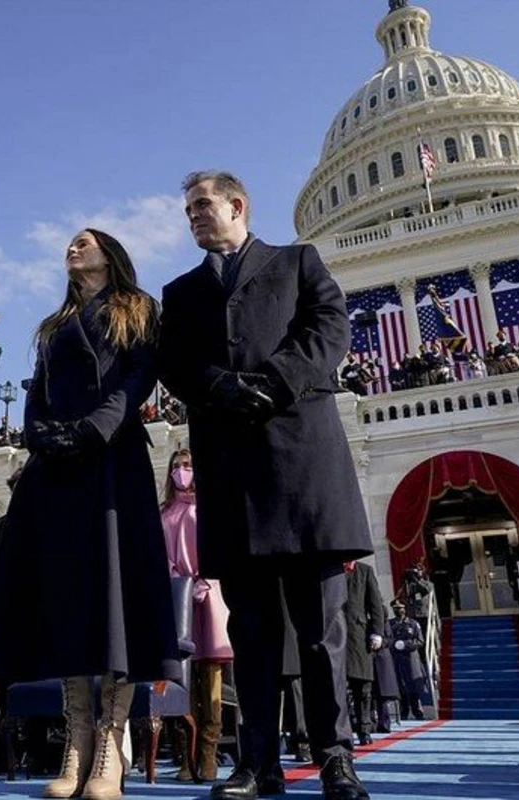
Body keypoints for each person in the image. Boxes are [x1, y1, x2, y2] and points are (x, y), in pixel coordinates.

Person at [158, 171, 372, 800]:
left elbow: (329, 331)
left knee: (320, 630)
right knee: (251, 633)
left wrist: (274, 380)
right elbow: (172, 361)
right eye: (188, 210)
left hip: (303, 468)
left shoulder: (298, 262)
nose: (194, 216)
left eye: (203, 205)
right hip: (231, 476)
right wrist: (213, 385)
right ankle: (257, 764)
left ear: (237, 205)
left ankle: (336, 757)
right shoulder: (182, 290)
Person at [0, 228, 181, 800]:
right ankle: (78, 738)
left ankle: (110, 743)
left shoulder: (138, 309)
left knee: (114, 595)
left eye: (85, 241)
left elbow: (139, 376)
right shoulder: (53, 325)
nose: (73, 246)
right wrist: (41, 434)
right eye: (70, 242)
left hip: (111, 461)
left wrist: (95, 429)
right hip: (57, 468)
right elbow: (37, 386)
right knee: (67, 599)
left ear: (110, 254)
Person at [160, 449, 232, 782]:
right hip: (178, 599)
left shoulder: (208, 507)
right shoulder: (163, 512)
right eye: (176, 466)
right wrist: (177, 581)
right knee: (182, 679)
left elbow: (218, 547)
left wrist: (203, 580)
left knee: (211, 677)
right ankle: (186, 758)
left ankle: (208, 755)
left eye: (187, 465)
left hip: (208, 595)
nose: (181, 472)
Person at [343, 560, 385, 746]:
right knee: (338, 690)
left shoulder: (365, 571)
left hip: (359, 637)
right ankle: (343, 731)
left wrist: (377, 632)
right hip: (334, 636)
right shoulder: (331, 569)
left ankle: (364, 729)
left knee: (363, 688)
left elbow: (375, 605)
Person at [387, 601, 425, 721]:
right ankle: (404, 711)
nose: (398, 610)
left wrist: (406, 644)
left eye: (400, 608)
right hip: (397, 658)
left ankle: (417, 710)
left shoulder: (413, 624)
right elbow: (387, 640)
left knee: (413, 685)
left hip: (410, 658)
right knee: (400, 685)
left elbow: (419, 641)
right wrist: (394, 645)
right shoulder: (390, 624)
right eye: (395, 608)